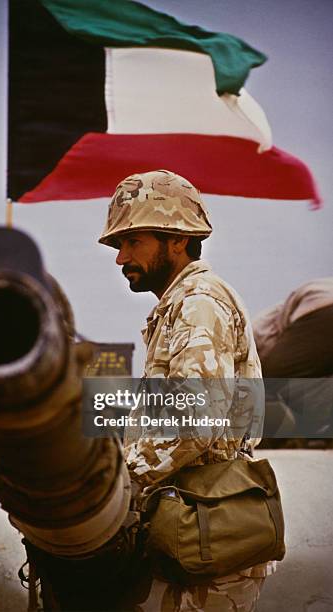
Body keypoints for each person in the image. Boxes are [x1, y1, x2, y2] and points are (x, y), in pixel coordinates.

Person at [98, 169, 274, 611]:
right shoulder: (180, 306)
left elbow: (194, 425)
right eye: (120, 244)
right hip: (193, 529)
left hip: (206, 543)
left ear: (177, 239)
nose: (121, 258)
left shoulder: (199, 304)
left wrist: (119, 486)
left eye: (133, 241)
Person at [253, 278, 333, 440]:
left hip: (320, 307)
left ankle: (291, 429)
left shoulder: (252, 335)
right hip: (319, 305)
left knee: (266, 379)